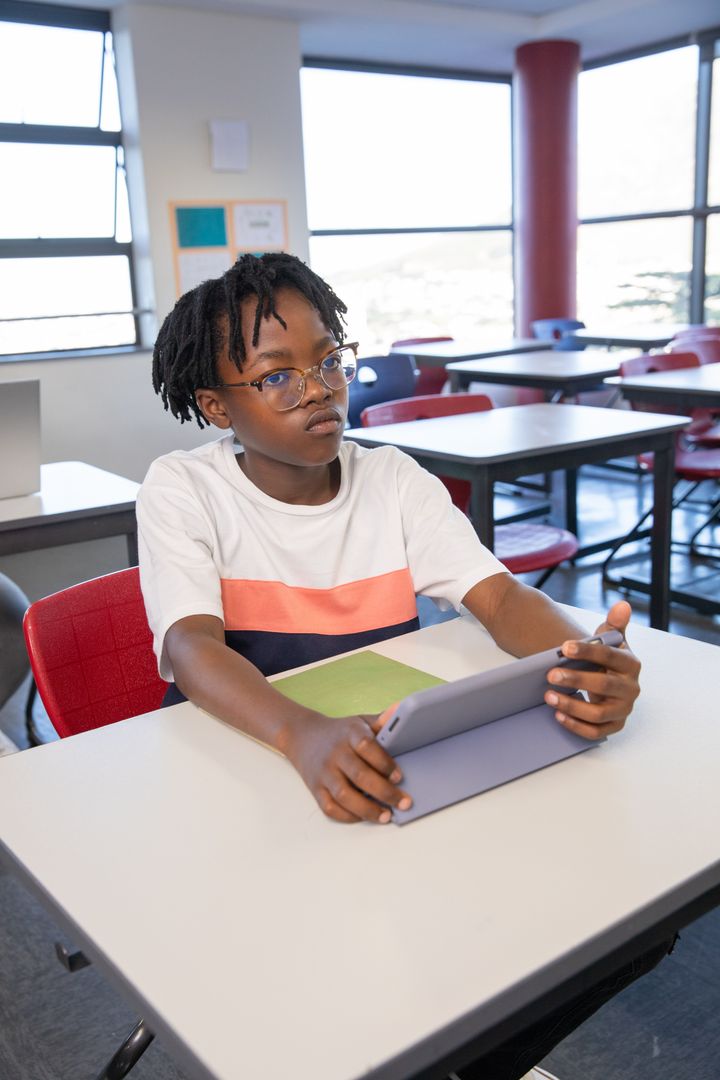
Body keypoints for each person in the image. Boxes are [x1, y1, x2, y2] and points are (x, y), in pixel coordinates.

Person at [137, 252, 670, 1080]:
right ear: (214, 405)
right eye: (277, 377)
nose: (318, 388)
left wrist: (580, 657)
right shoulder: (183, 490)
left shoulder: (392, 477)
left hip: (382, 754)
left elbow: (498, 599)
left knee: (636, 921)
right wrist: (301, 733)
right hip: (253, 768)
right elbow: (190, 647)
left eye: (328, 359)